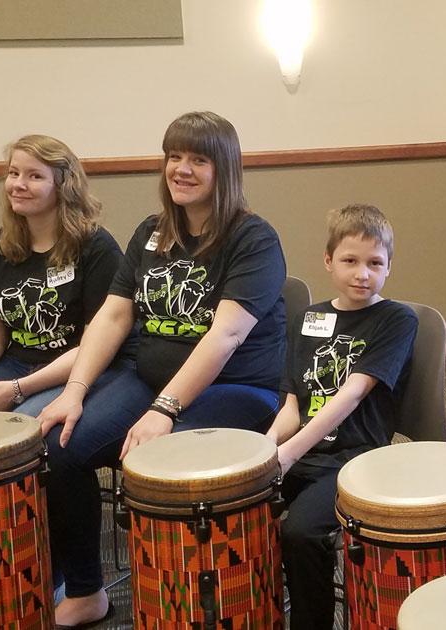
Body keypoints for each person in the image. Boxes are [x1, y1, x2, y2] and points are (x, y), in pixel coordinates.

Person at [36, 111, 288, 629]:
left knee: (166, 468)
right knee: (58, 444)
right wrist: (75, 391)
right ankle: (87, 590)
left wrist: (164, 410)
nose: (182, 169)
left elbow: (225, 336)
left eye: (199, 159)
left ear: (226, 170)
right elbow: (113, 314)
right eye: (175, 157)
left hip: (239, 390)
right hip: (149, 383)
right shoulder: (153, 233)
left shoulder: (253, 239)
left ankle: (200, 605)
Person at [265, 203, 418, 630]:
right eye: (350, 261)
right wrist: (267, 450)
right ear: (328, 261)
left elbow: (351, 394)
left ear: (389, 267)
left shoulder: (395, 319)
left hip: (354, 458)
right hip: (302, 451)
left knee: (300, 533)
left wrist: (289, 455)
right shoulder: (308, 319)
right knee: (240, 510)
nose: (362, 274)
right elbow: (292, 402)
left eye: (375, 263)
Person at [0, 135, 142, 421]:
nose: (19, 184)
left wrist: (17, 389)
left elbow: (96, 344)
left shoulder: (96, 247)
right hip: (17, 363)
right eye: (14, 173)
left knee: (20, 428)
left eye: (35, 176)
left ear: (63, 185)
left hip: (81, 368)